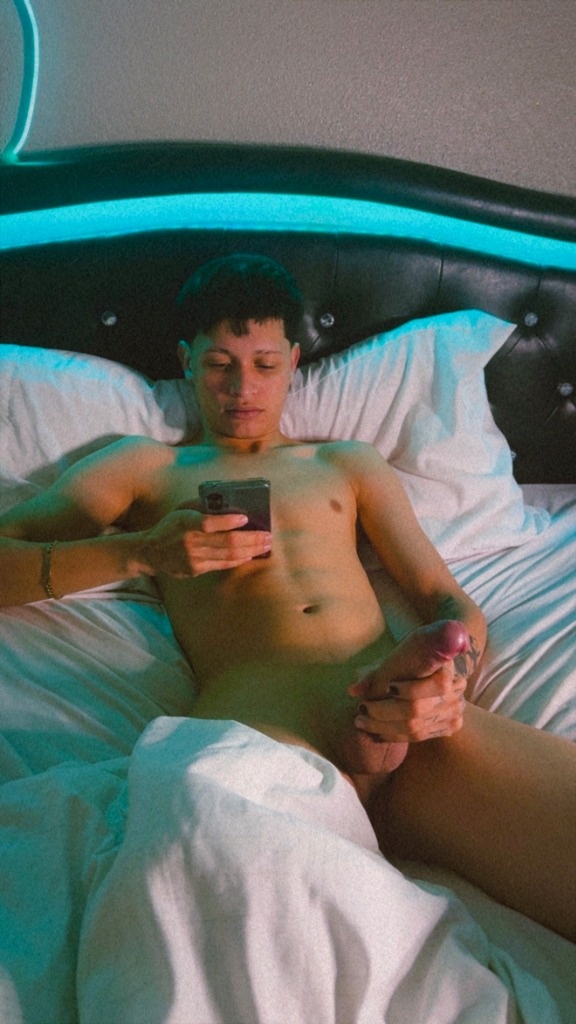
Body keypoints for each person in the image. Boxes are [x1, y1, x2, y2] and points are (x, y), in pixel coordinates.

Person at [0, 254, 574, 941]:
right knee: (223, 927)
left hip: (394, 711)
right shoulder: (146, 466)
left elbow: (447, 603)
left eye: (266, 364)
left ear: (295, 362)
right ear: (186, 361)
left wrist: (448, 684)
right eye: (219, 364)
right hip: (260, 732)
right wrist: (142, 550)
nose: (243, 387)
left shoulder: (344, 462)